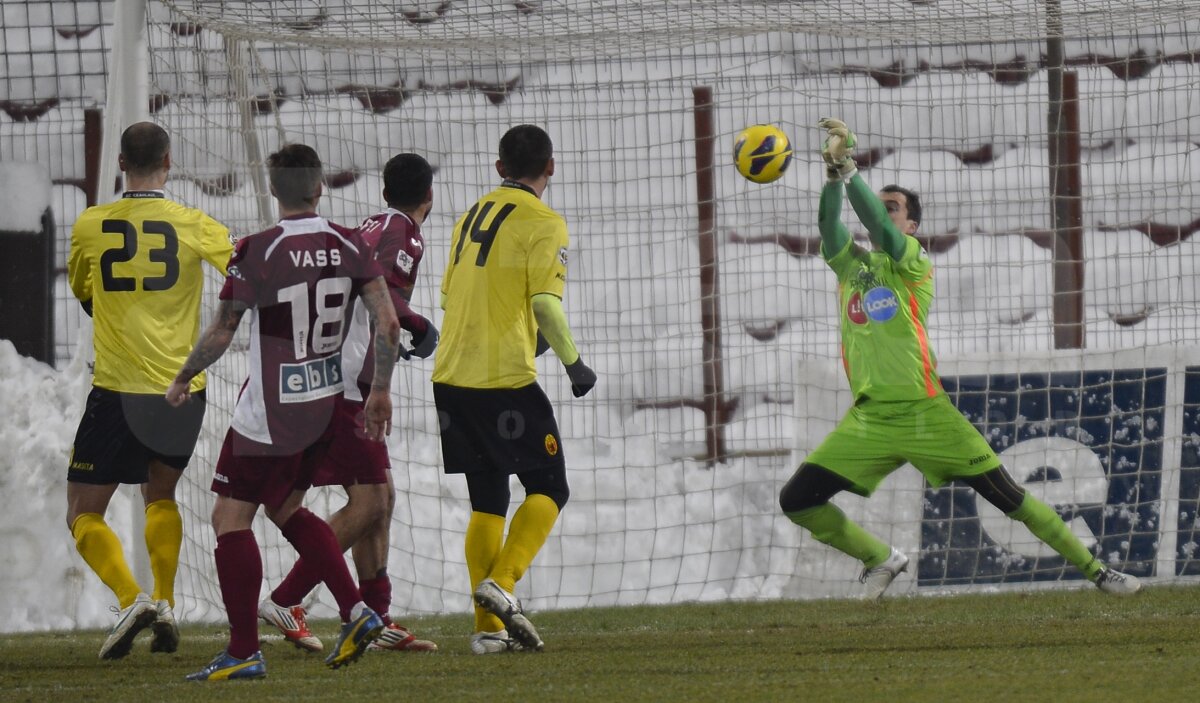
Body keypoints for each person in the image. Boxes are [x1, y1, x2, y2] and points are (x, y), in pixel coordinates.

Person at [778, 118, 1142, 600]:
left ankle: (1098, 571)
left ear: (911, 225)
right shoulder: (852, 267)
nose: (883, 214)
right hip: (869, 418)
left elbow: (877, 228)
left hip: (925, 411)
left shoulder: (911, 262)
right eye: (881, 205)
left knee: (1009, 497)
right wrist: (830, 177)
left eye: (894, 208)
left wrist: (848, 169)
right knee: (797, 500)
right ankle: (880, 558)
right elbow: (829, 226)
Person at [166, 143, 400, 680]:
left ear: (274, 190)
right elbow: (388, 323)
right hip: (325, 404)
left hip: (269, 412)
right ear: (321, 186)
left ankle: (245, 650)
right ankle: (358, 610)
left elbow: (225, 328)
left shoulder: (257, 251)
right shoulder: (351, 244)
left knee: (230, 517)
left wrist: (183, 376)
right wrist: (380, 390)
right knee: (287, 509)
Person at [259, 153, 440, 654]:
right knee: (373, 500)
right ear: (431, 195)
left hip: (336, 373)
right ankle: (287, 598)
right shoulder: (403, 230)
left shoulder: (372, 223)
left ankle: (376, 618)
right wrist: (419, 329)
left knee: (379, 499)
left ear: (384, 192)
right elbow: (382, 296)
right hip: (348, 382)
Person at [65, 122, 233, 660]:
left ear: (120, 162)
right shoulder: (196, 224)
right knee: (160, 496)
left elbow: (85, 292)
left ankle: (130, 597)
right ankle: (163, 600)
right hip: (181, 390)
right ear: (169, 162)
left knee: (83, 511)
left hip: (116, 389)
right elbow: (244, 273)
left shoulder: (91, 225)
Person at [433, 124, 596, 654]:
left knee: (488, 498)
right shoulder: (544, 221)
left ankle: (487, 630)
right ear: (552, 167)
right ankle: (502, 584)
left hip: (452, 374)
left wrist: (528, 335)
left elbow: (454, 296)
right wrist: (575, 365)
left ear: (500, 168)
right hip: (502, 378)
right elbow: (546, 304)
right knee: (550, 486)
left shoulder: (470, 215)